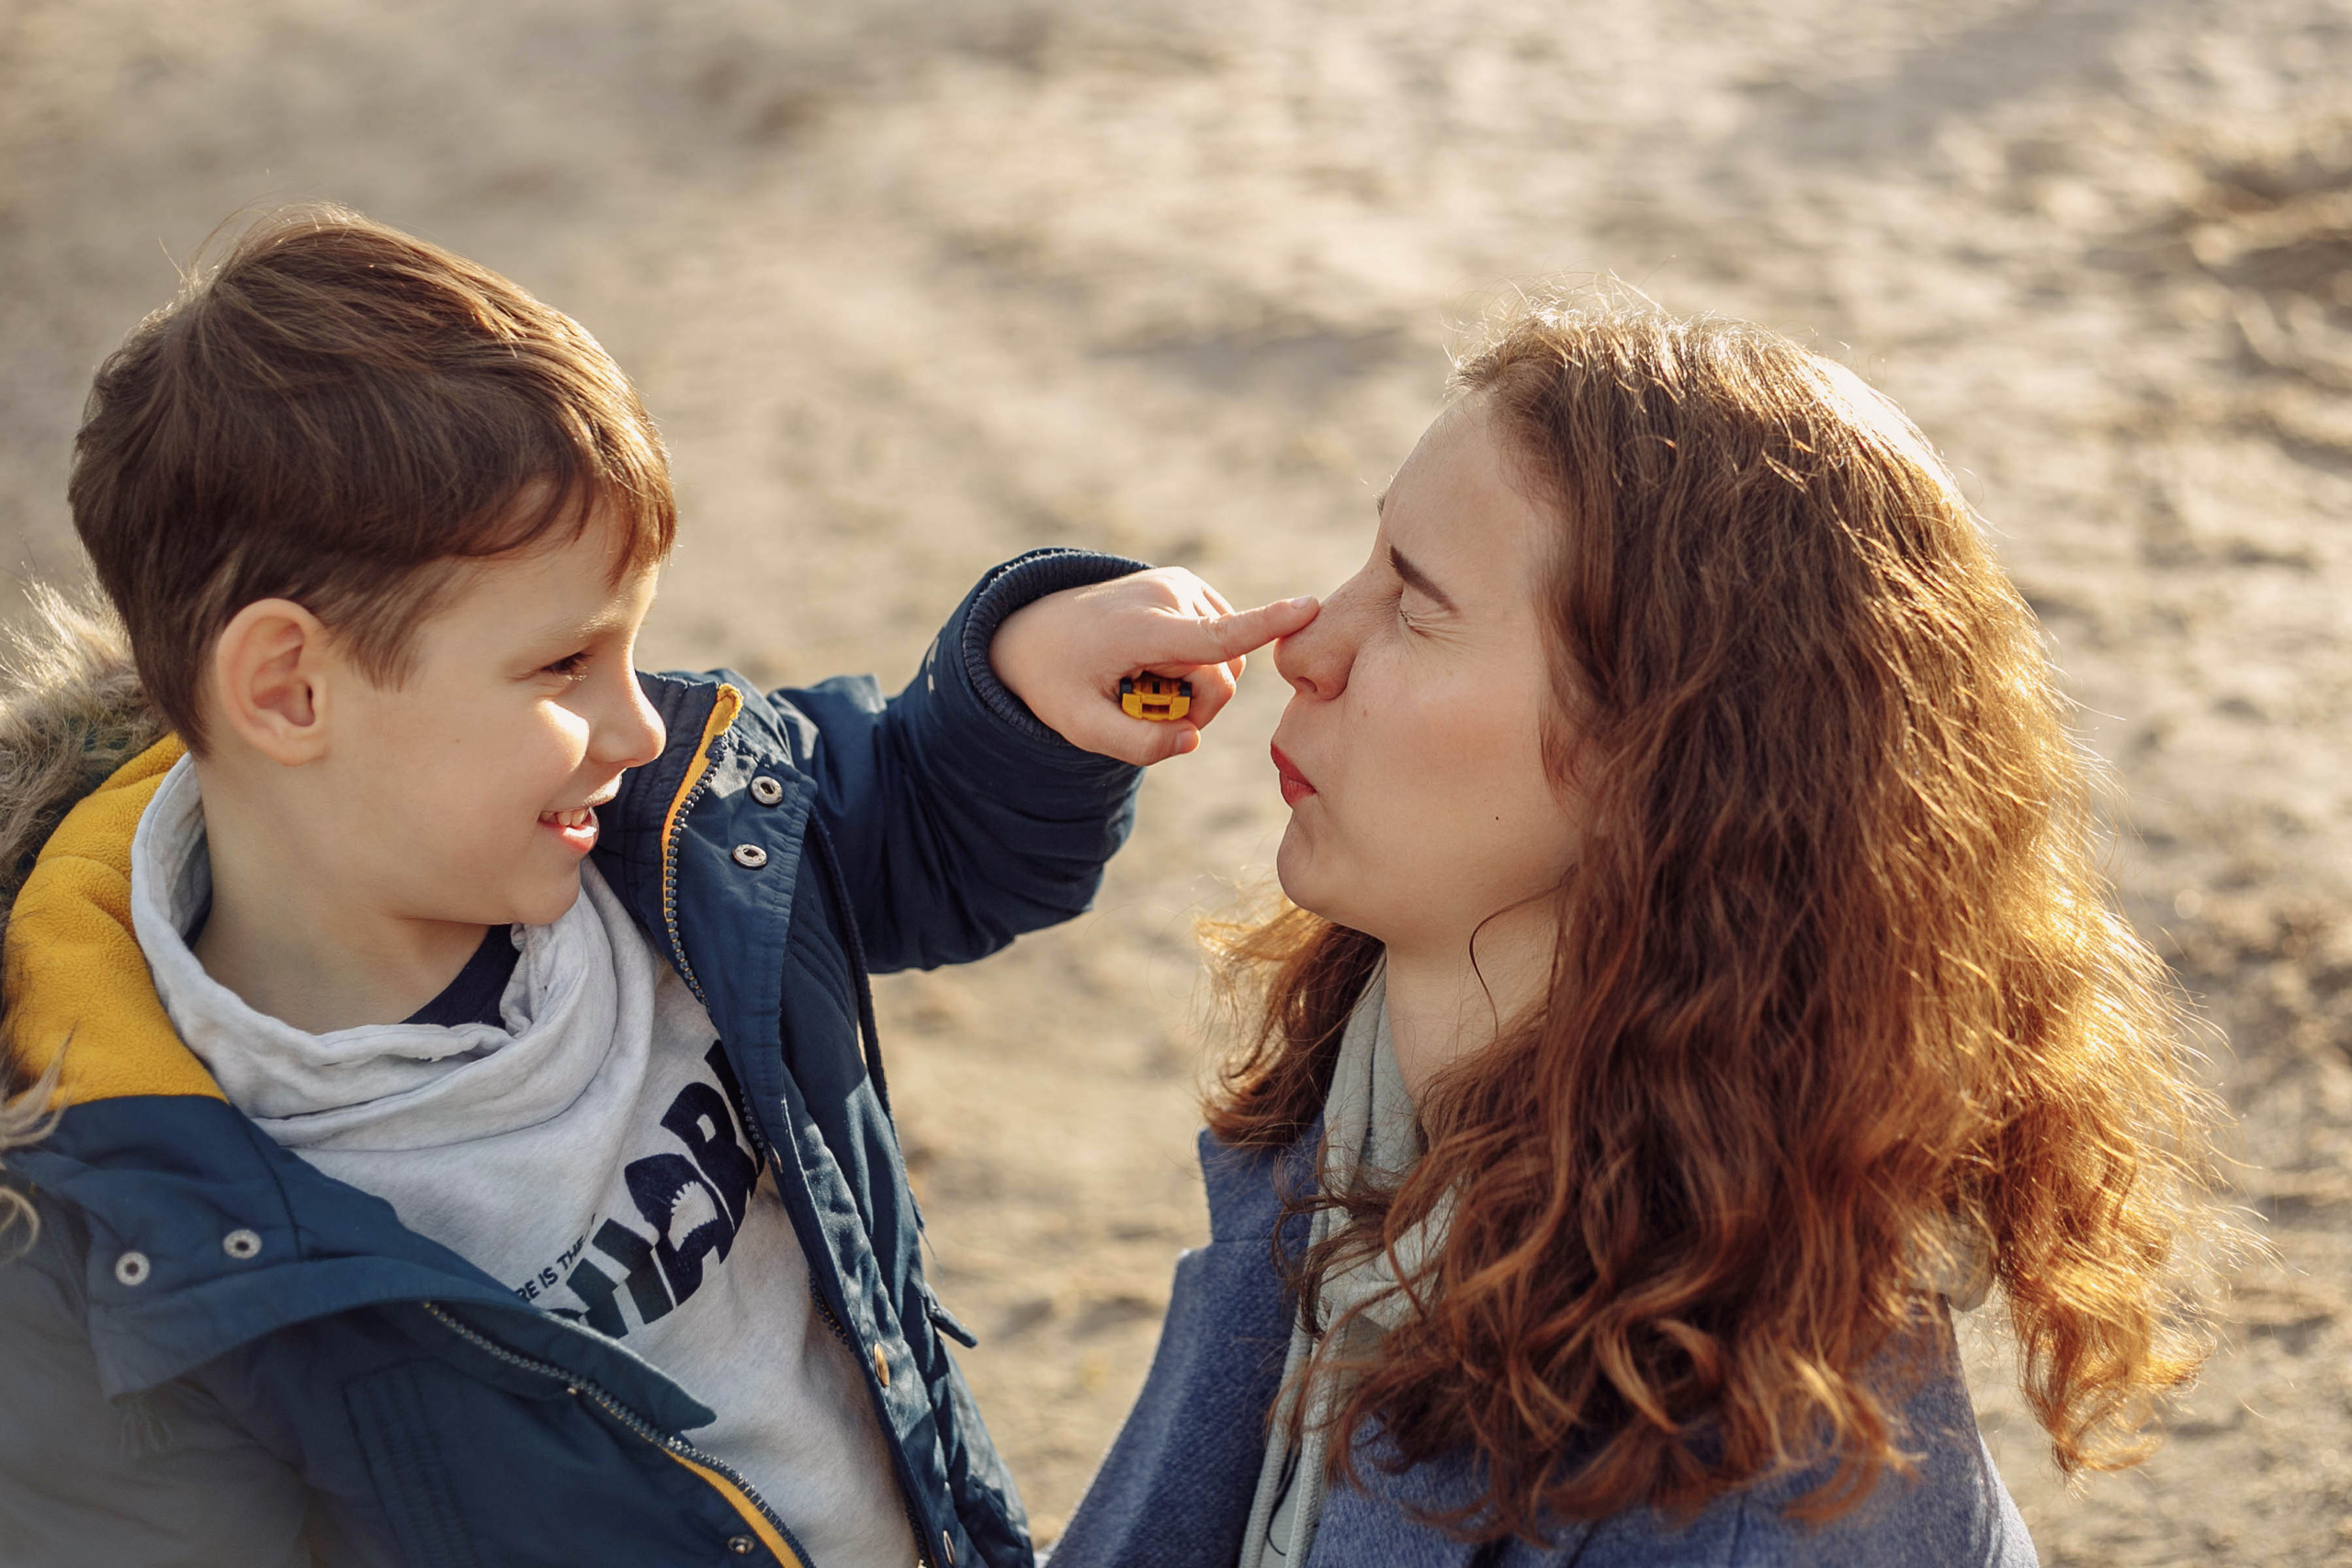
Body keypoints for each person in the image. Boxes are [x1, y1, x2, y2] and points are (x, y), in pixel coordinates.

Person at [0, 206, 1314, 1568]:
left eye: (633, 651)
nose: (639, 729)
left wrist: (1021, 696)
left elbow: (921, 828)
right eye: (565, 667)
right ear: (289, 688)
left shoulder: (662, 839)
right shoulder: (117, 1257)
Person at [1051, 298, 2230, 1566]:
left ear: (1661, 767)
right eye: (1367, 561)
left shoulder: (1748, 1505)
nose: (1309, 647)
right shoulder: (1341, 1152)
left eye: (1416, 604)